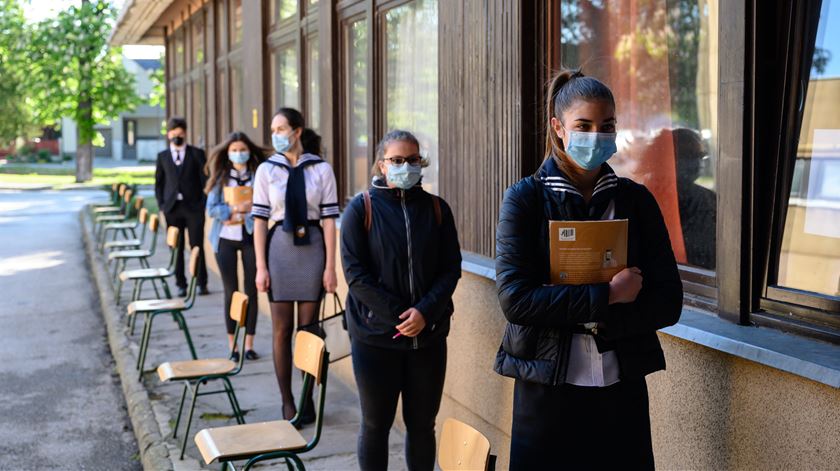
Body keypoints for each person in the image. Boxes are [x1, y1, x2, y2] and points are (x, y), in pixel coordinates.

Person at [493, 69, 684, 470]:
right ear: (558, 127)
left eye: (607, 126)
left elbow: (668, 302)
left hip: (621, 387)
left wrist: (592, 316)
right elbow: (515, 300)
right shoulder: (524, 200)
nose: (596, 135)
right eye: (584, 125)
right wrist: (609, 297)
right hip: (548, 390)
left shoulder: (636, 201)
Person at [341, 130, 462, 471]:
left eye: (413, 160)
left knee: (422, 426)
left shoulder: (437, 209)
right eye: (397, 160)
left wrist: (424, 313)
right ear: (381, 164)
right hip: (374, 338)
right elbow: (355, 276)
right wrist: (400, 316)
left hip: (429, 337)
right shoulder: (359, 209)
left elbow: (450, 268)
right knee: (375, 426)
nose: (406, 166)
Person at [251, 108, 339, 424]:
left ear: (297, 131)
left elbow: (329, 221)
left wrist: (331, 268)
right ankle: (287, 401)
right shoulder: (266, 171)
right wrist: (260, 267)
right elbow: (259, 222)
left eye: (281, 128)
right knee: (281, 329)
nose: (276, 134)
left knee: (309, 329)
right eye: (273, 128)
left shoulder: (321, 169)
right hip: (279, 251)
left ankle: (306, 397)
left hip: (313, 250)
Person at [205, 131, 267, 361]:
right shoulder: (221, 177)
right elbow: (211, 208)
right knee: (231, 291)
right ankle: (233, 346)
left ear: (249, 151)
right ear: (227, 152)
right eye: (234, 150)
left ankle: (249, 344)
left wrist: (250, 207)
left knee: (251, 290)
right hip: (225, 239)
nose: (239, 154)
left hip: (251, 237)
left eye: (242, 150)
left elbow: (265, 205)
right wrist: (232, 210)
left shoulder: (257, 174)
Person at [155, 116, 209, 296]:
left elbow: (205, 181)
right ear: (169, 134)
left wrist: (203, 204)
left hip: (193, 208)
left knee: (197, 246)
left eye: (180, 133)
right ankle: (181, 284)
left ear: (185, 133)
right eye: (173, 133)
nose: (177, 136)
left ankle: (201, 282)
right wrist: (162, 205)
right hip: (172, 208)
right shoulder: (162, 157)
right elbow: (159, 183)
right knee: (176, 247)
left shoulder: (196, 154)